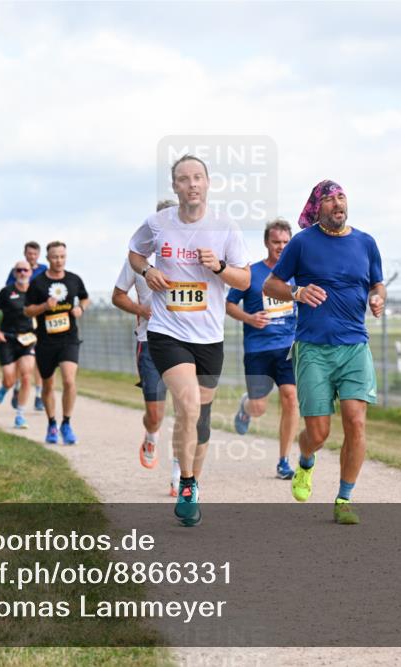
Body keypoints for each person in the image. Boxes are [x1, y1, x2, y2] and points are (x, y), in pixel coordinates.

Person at [128, 154, 250, 526]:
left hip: (209, 336)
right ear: (175, 186)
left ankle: (193, 481)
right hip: (167, 331)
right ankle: (184, 483)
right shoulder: (158, 223)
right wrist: (148, 271)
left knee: (201, 419)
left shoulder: (226, 227)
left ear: (208, 183)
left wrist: (218, 267)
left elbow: (244, 280)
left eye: (198, 177)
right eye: (184, 179)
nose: (192, 184)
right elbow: (134, 253)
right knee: (189, 406)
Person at [263, 180, 385, 525]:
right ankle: (305, 459)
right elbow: (270, 285)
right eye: (329, 199)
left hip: (354, 346)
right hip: (313, 349)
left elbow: (377, 283)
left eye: (341, 197)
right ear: (317, 208)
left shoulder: (366, 242)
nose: (337, 204)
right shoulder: (302, 243)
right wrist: (298, 293)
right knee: (318, 433)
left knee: (356, 422)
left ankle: (344, 498)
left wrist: (378, 298)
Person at [113, 199, 178, 496]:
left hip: (184, 341)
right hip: (149, 341)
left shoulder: (187, 258)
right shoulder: (137, 261)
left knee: (187, 411)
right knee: (156, 413)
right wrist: (142, 310)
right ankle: (151, 435)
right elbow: (117, 296)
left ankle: (181, 475)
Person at [226, 218, 300, 480]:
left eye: (285, 242)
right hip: (258, 349)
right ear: (266, 243)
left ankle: (283, 461)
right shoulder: (252, 273)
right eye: (276, 242)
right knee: (260, 406)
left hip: (288, 347)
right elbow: (230, 305)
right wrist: (249, 318)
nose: (281, 247)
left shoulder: (297, 274)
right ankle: (246, 407)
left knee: (291, 397)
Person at [24, 241, 90, 445]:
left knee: (69, 380)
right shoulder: (38, 283)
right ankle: (52, 423)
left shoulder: (73, 279)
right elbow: (27, 310)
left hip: (69, 338)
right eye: (54, 257)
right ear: (48, 258)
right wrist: (44, 306)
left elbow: (85, 298)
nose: (59, 260)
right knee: (48, 384)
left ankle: (66, 423)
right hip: (45, 341)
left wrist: (81, 308)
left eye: (62, 256)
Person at [0, 260, 38, 429]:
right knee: (10, 379)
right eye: (19, 270)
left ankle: (20, 415)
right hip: (8, 339)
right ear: (14, 273)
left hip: (28, 339)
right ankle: (6, 387)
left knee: (26, 376)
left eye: (25, 270)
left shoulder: (36, 292)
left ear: (31, 272)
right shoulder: (7, 292)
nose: (22, 273)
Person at [5, 241, 49, 410]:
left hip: (40, 317)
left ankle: (38, 395)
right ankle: (17, 387)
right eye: (29, 254)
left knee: (38, 357)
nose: (31, 257)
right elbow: (8, 291)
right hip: (21, 318)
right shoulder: (17, 270)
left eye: (34, 254)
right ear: (25, 254)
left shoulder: (44, 269)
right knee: (21, 357)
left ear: (38, 255)